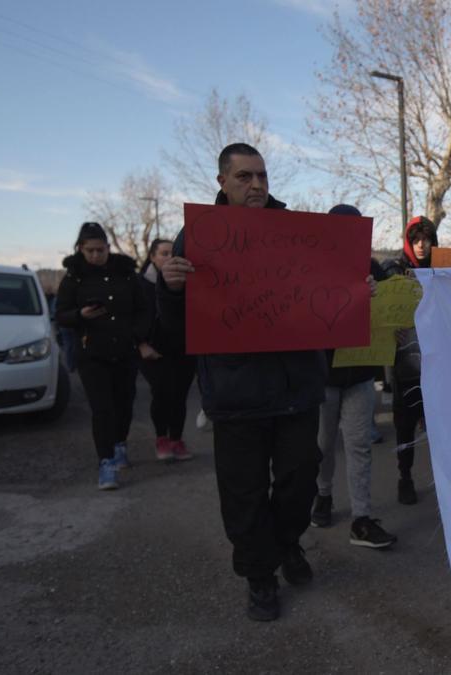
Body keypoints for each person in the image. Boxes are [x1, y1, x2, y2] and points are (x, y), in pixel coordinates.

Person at [158, 143, 326, 622]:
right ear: (222, 182)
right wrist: (171, 291)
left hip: (296, 388)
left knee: (299, 481)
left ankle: (286, 542)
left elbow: (326, 295)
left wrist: (360, 287)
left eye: (262, 176)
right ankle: (260, 575)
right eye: (244, 177)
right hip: (235, 391)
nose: (256, 185)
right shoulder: (197, 238)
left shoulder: (298, 233)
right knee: (244, 493)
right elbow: (175, 330)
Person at [311, 204, 397, 548]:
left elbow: (392, 310)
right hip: (324, 377)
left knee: (359, 447)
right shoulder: (312, 269)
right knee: (323, 445)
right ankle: (323, 494)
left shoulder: (373, 268)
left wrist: (392, 318)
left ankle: (361, 518)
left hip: (360, 376)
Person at [56, 222, 152, 490]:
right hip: (92, 353)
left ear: (109, 247)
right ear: (81, 249)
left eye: (101, 250)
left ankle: (120, 443)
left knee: (124, 403)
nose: (96, 255)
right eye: (90, 251)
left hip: (124, 350)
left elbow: (143, 309)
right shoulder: (74, 277)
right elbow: (61, 314)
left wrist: (137, 336)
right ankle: (106, 462)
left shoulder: (126, 273)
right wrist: (79, 316)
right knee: (102, 409)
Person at [381, 215, 439, 505]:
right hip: (405, 363)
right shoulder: (392, 270)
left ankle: (444, 479)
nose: (421, 245)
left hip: (437, 362)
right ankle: (405, 477)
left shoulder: (440, 271)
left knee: (441, 426)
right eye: (416, 239)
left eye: (426, 239)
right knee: (404, 426)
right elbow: (378, 309)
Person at [137, 238, 195, 462]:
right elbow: (133, 317)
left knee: (180, 396)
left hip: (181, 349)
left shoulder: (188, 282)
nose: (169, 258)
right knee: (161, 394)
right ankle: (162, 438)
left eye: (173, 253)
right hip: (152, 351)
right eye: (164, 253)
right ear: (152, 257)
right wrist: (141, 344)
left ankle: (176, 439)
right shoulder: (141, 284)